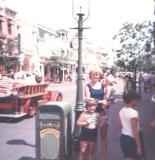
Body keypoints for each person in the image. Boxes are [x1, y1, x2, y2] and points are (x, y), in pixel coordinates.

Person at [85, 67, 110, 160]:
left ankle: (104, 158)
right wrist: (101, 102)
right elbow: (89, 99)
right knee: (91, 139)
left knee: (103, 137)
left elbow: (107, 98)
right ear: (90, 75)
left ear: (100, 75)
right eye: (94, 74)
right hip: (92, 114)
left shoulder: (103, 86)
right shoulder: (87, 86)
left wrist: (107, 102)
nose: (95, 76)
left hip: (103, 113)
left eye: (97, 74)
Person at [119, 91, 142, 160]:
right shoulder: (134, 113)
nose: (137, 102)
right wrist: (138, 146)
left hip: (123, 137)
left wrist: (126, 126)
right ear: (133, 100)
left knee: (127, 157)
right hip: (131, 139)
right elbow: (134, 130)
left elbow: (120, 125)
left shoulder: (121, 110)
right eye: (136, 100)